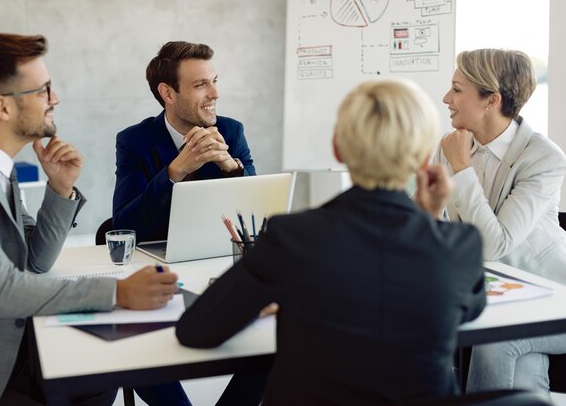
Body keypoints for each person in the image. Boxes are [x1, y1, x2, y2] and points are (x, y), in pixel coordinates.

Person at [176, 79, 487, 405]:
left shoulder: (291, 237)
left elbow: (196, 331)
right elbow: (466, 309)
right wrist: (430, 217)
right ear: (425, 158)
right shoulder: (459, 246)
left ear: (338, 148)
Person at [0, 33, 180, 406]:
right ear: (2, 107)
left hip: (18, 346)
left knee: (101, 375)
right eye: (43, 90)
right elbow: (4, 289)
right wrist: (117, 292)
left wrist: (60, 189)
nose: (56, 99)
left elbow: (34, 262)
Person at [433, 48, 566, 393]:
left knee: (496, 342)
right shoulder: (452, 147)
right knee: (521, 374)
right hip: (493, 296)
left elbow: (494, 245)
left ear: (491, 99)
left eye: (457, 89)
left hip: (554, 301)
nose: (447, 99)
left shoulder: (544, 158)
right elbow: (436, 227)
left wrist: (462, 170)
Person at [112, 41, 255, 243]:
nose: (215, 94)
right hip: (160, 263)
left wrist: (232, 168)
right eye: (200, 85)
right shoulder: (134, 141)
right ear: (168, 94)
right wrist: (174, 172)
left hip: (218, 256)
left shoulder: (231, 132)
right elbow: (124, 229)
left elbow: (256, 215)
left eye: (214, 81)